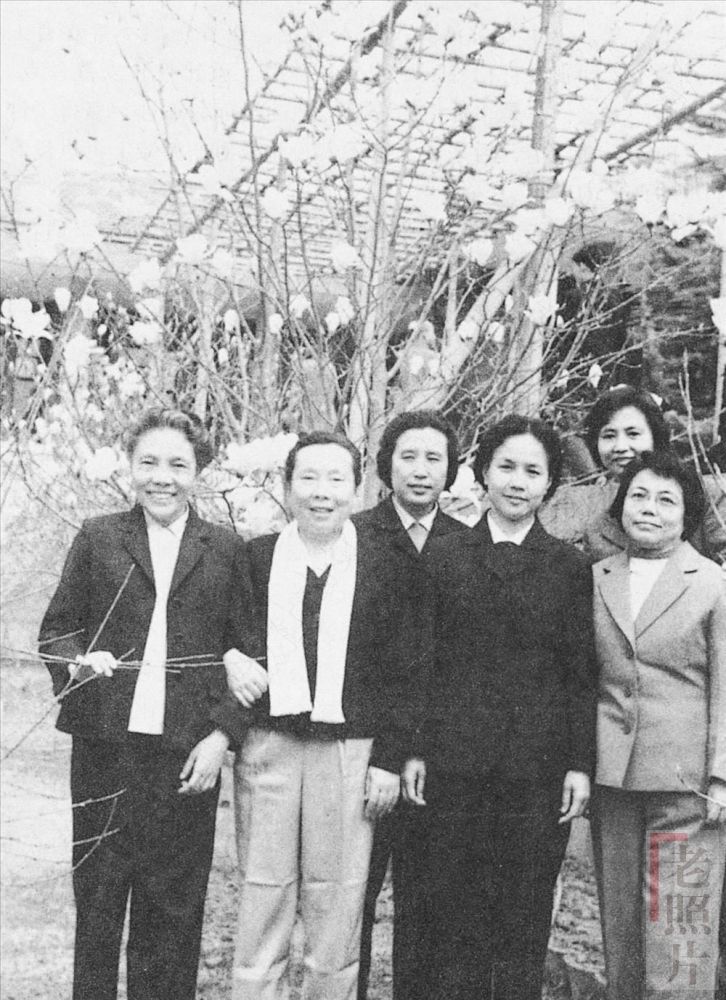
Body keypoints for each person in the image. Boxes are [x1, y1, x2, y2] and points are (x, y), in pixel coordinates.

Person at [38, 407, 254, 1000]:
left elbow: (250, 655)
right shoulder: (99, 537)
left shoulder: (226, 549)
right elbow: (57, 631)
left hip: (186, 759)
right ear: (130, 467)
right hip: (105, 752)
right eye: (149, 462)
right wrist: (79, 661)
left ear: (197, 471)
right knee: (99, 908)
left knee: (174, 915)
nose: (163, 477)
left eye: (178, 465)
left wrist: (221, 738)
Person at [222, 430, 425, 1000]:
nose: (321, 491)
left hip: (350, 753)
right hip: (269, 745)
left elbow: (407, 670)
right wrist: (232, 657)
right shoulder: (256, 558)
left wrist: (388, 760)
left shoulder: (388, 564)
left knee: (338, 900)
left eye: (336, 478)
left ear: (356, 488)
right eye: (308, 477)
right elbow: (227, 635)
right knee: (264, 893)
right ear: (287, 487)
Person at [405, 415, 597, 1000]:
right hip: (453, 767)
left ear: (550, 483)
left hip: (535, 774)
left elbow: (580, 673)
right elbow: (422, 662)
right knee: (450, 914)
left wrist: (578, 763)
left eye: (533, 471)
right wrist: (414, 749)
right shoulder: (444, 556)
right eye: (506, 467)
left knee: (522, 916)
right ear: (483, 472)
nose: (517, 481)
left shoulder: (568, 567)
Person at [590, 451, 726, 1000]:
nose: (649, 509)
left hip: (686, 786)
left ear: (687, 514)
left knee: (680, 936)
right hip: (612, 779)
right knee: (621, 932)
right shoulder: (597, 577)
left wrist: (721, 776)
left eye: (666, 500)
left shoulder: (713, 583)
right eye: (639, 496)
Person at [353, 409, 468, 1000]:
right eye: (408, 456)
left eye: (434, 458)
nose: (421, 470)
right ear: (386, 465)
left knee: (428, 905)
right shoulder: (353, 536)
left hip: (437, 756)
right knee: (353, 897)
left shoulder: (467, 544)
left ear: (451, 469)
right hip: (363, 746)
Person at [582, 385, 726, 565]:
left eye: (633, 434)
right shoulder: (598, 531)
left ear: (656, 436)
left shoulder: (712, 498)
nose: (620, 447)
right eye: (609, 435)